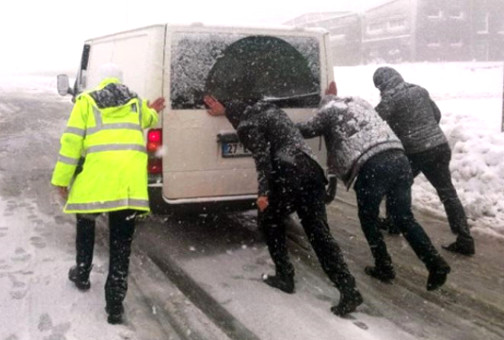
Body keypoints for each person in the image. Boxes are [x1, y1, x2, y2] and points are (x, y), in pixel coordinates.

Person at [203, 95, 363, 317]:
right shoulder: (273, 111)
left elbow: (262, 158)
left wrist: (263, 193)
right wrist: (227, 108)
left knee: (269, 221)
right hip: (311, 170)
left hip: (289, 174)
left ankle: (285, 276)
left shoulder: (247, 125)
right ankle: (348, 287)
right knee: (318, 233)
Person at [296, 95, 451, 291]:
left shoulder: (328, 111)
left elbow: (308, 129)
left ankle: (384, 266)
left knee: (368, 218)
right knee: (404, 217)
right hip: (399, 158)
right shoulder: (360, 103)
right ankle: (435, 263)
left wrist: (285, 125)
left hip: (373, 166)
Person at [51, 63, 164, 325]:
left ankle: (82, 274)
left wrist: (61, 180)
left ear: (100, 83)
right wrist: (151, 109)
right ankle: (114, 305)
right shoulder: (135, 104)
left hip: (95, 183)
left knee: (86, 227)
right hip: (127, 188)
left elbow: (71, 144)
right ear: (121, 83)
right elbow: (147, 119)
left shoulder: (86, 102)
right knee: (121, 245)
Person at [373, 67, 475, 256]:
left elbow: (373, 120)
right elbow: (436, 114)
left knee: (396, 185)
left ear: (382, 84)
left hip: (416, 151)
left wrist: (403, 130)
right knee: (447, 192)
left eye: (379, 86)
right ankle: (465, 239)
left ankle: (394, 222)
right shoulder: (419, 90)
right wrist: (425, 129)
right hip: (439, 147)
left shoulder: (390, 99)